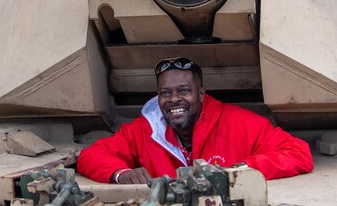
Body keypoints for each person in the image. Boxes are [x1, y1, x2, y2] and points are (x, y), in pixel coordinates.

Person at [77, 57, 314, 184]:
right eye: (165, 93)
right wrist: (121, 173)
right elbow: (91, 155)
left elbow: (298, 153)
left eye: (183, 91)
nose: (174, 100)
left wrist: (238, 171)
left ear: (201, 94)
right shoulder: (145, 130)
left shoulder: (240, 123)